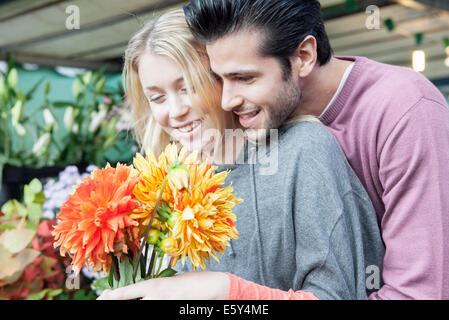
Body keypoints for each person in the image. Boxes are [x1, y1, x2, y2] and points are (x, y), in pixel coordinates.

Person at [97, 8, 384, 300]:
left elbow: (339, 294)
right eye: (157, 97)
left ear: (224, 78)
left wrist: (226, 292)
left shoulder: (303, 151)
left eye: (189, 87)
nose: (175, 111)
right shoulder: (159, 189)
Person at [182, 0, 449, 299]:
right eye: (220, 79)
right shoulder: (256, 123)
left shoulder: (406, 110)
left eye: (244, 78)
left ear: (304, 56)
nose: (226, 101)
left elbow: (419, 293)